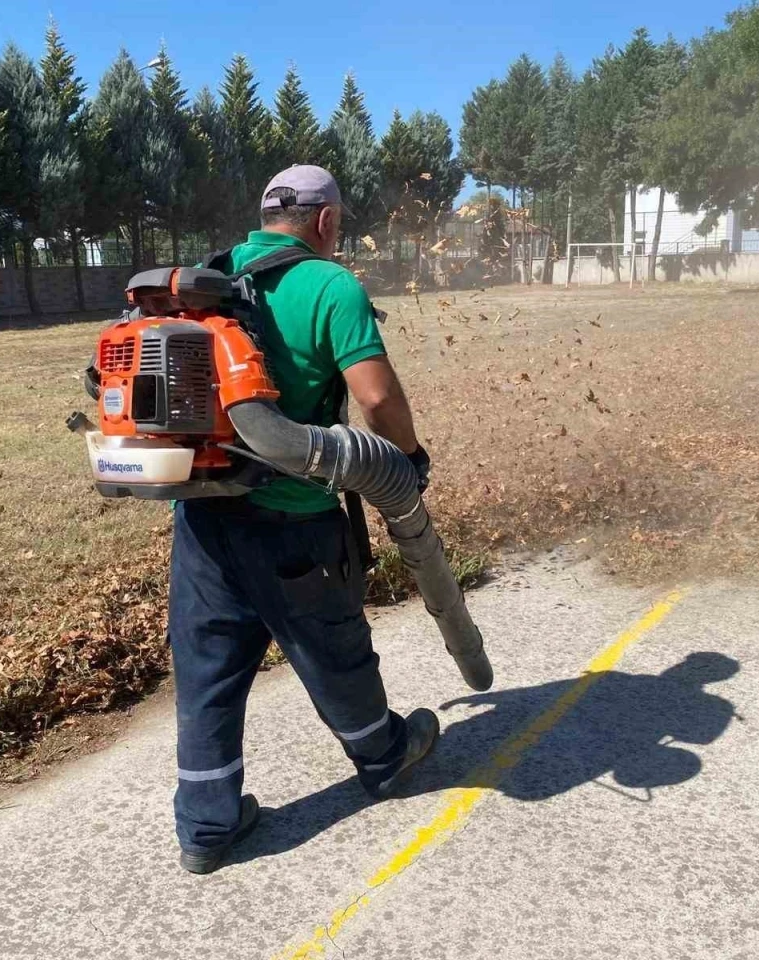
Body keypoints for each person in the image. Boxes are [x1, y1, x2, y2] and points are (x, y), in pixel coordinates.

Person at [170, 165, 438, 874]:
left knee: (207, 670)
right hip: (295, 515)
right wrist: (408, 459)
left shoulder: (207, 276)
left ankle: (206, 826)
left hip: (203, 516)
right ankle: (384, 756)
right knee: (332, 649)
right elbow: (376, 400)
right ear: (325, 221)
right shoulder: (329, 284)